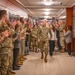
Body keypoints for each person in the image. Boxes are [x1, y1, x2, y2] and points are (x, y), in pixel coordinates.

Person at [0, 10, 15, 75]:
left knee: (7, 63)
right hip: (4, 47)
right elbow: (10, 32)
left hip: (7, 46)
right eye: (7, 15)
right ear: (4, 15)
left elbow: (10, 32)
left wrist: (10, 30)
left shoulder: (5, 23)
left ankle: (8, 72)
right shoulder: (2, 23)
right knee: (4, 65)